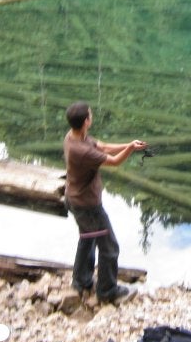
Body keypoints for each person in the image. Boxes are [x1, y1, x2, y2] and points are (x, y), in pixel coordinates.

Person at [63, 101, 148, 305]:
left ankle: (81, 281)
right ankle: (107, 290)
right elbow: (115, 161)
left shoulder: (73, 136)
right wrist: (129, 149)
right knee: (110, 247)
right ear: (86, 121)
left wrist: (129, 144)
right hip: (88, 206)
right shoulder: (82, 151)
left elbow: (104, 146)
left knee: (88, 239)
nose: (92, 117)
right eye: (90, 115)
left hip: (75, 200)